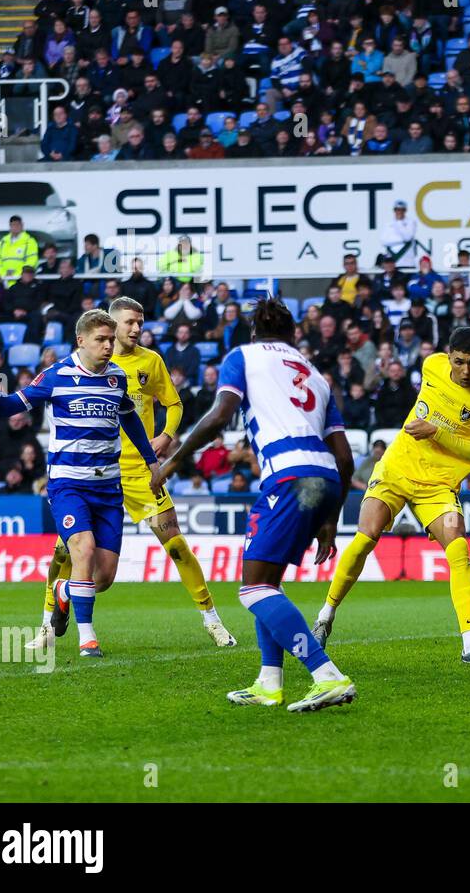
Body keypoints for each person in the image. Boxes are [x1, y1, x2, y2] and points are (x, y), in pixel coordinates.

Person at [151, 299, 358, 712]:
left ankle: (326, 674)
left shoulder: (242, 356)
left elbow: (218, 416)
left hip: (288, 474)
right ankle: (269, 682)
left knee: (254, 588)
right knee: (268, 583)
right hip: (325, 479)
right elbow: (347, 457)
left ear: (252, 332)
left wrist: (172, 462)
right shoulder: (315, 375)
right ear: (294, 333)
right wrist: (330, 518)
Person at [27, 297, 236, 652]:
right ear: (109, 325)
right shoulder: (85, 365)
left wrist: (167, 436)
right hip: (88, 476)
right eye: (129, 323)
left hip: (140, 473)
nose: (136, 329)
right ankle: (48, 624)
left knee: (176, 545)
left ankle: (212, 619)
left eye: (140, 322)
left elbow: (174, 403)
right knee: (65, 554)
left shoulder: (150, 362)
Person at [0, 310, 160, 658]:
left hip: (108, 488)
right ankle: (88, 638)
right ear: (81, 341)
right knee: (82, 549)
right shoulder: (56, 376)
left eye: (110, 340)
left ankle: (65, 591)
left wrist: (152, 462)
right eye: (101, 340)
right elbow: (10, 406)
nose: (108, 346)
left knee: (102, 578)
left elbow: (130, 422)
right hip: (68, 484)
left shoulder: (116, 378)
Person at [314, 328, 470, 665]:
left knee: (458, 545)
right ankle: (324, 619)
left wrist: (436, 431)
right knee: (365, 537)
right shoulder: (431, 365)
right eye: (459, 362)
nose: (465, 370)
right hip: (396, 469)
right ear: (448, 356)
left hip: (438, 487)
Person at [0, 215, 39, 283]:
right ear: (10, 226)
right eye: (13, 225)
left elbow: (32, 261)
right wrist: (3, 273)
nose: (15, 227)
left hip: (22, 281)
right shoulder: (2, 242)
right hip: (4, 280)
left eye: (17, 225)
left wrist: (18, 274)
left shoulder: (29, 241)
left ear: (22, 225)